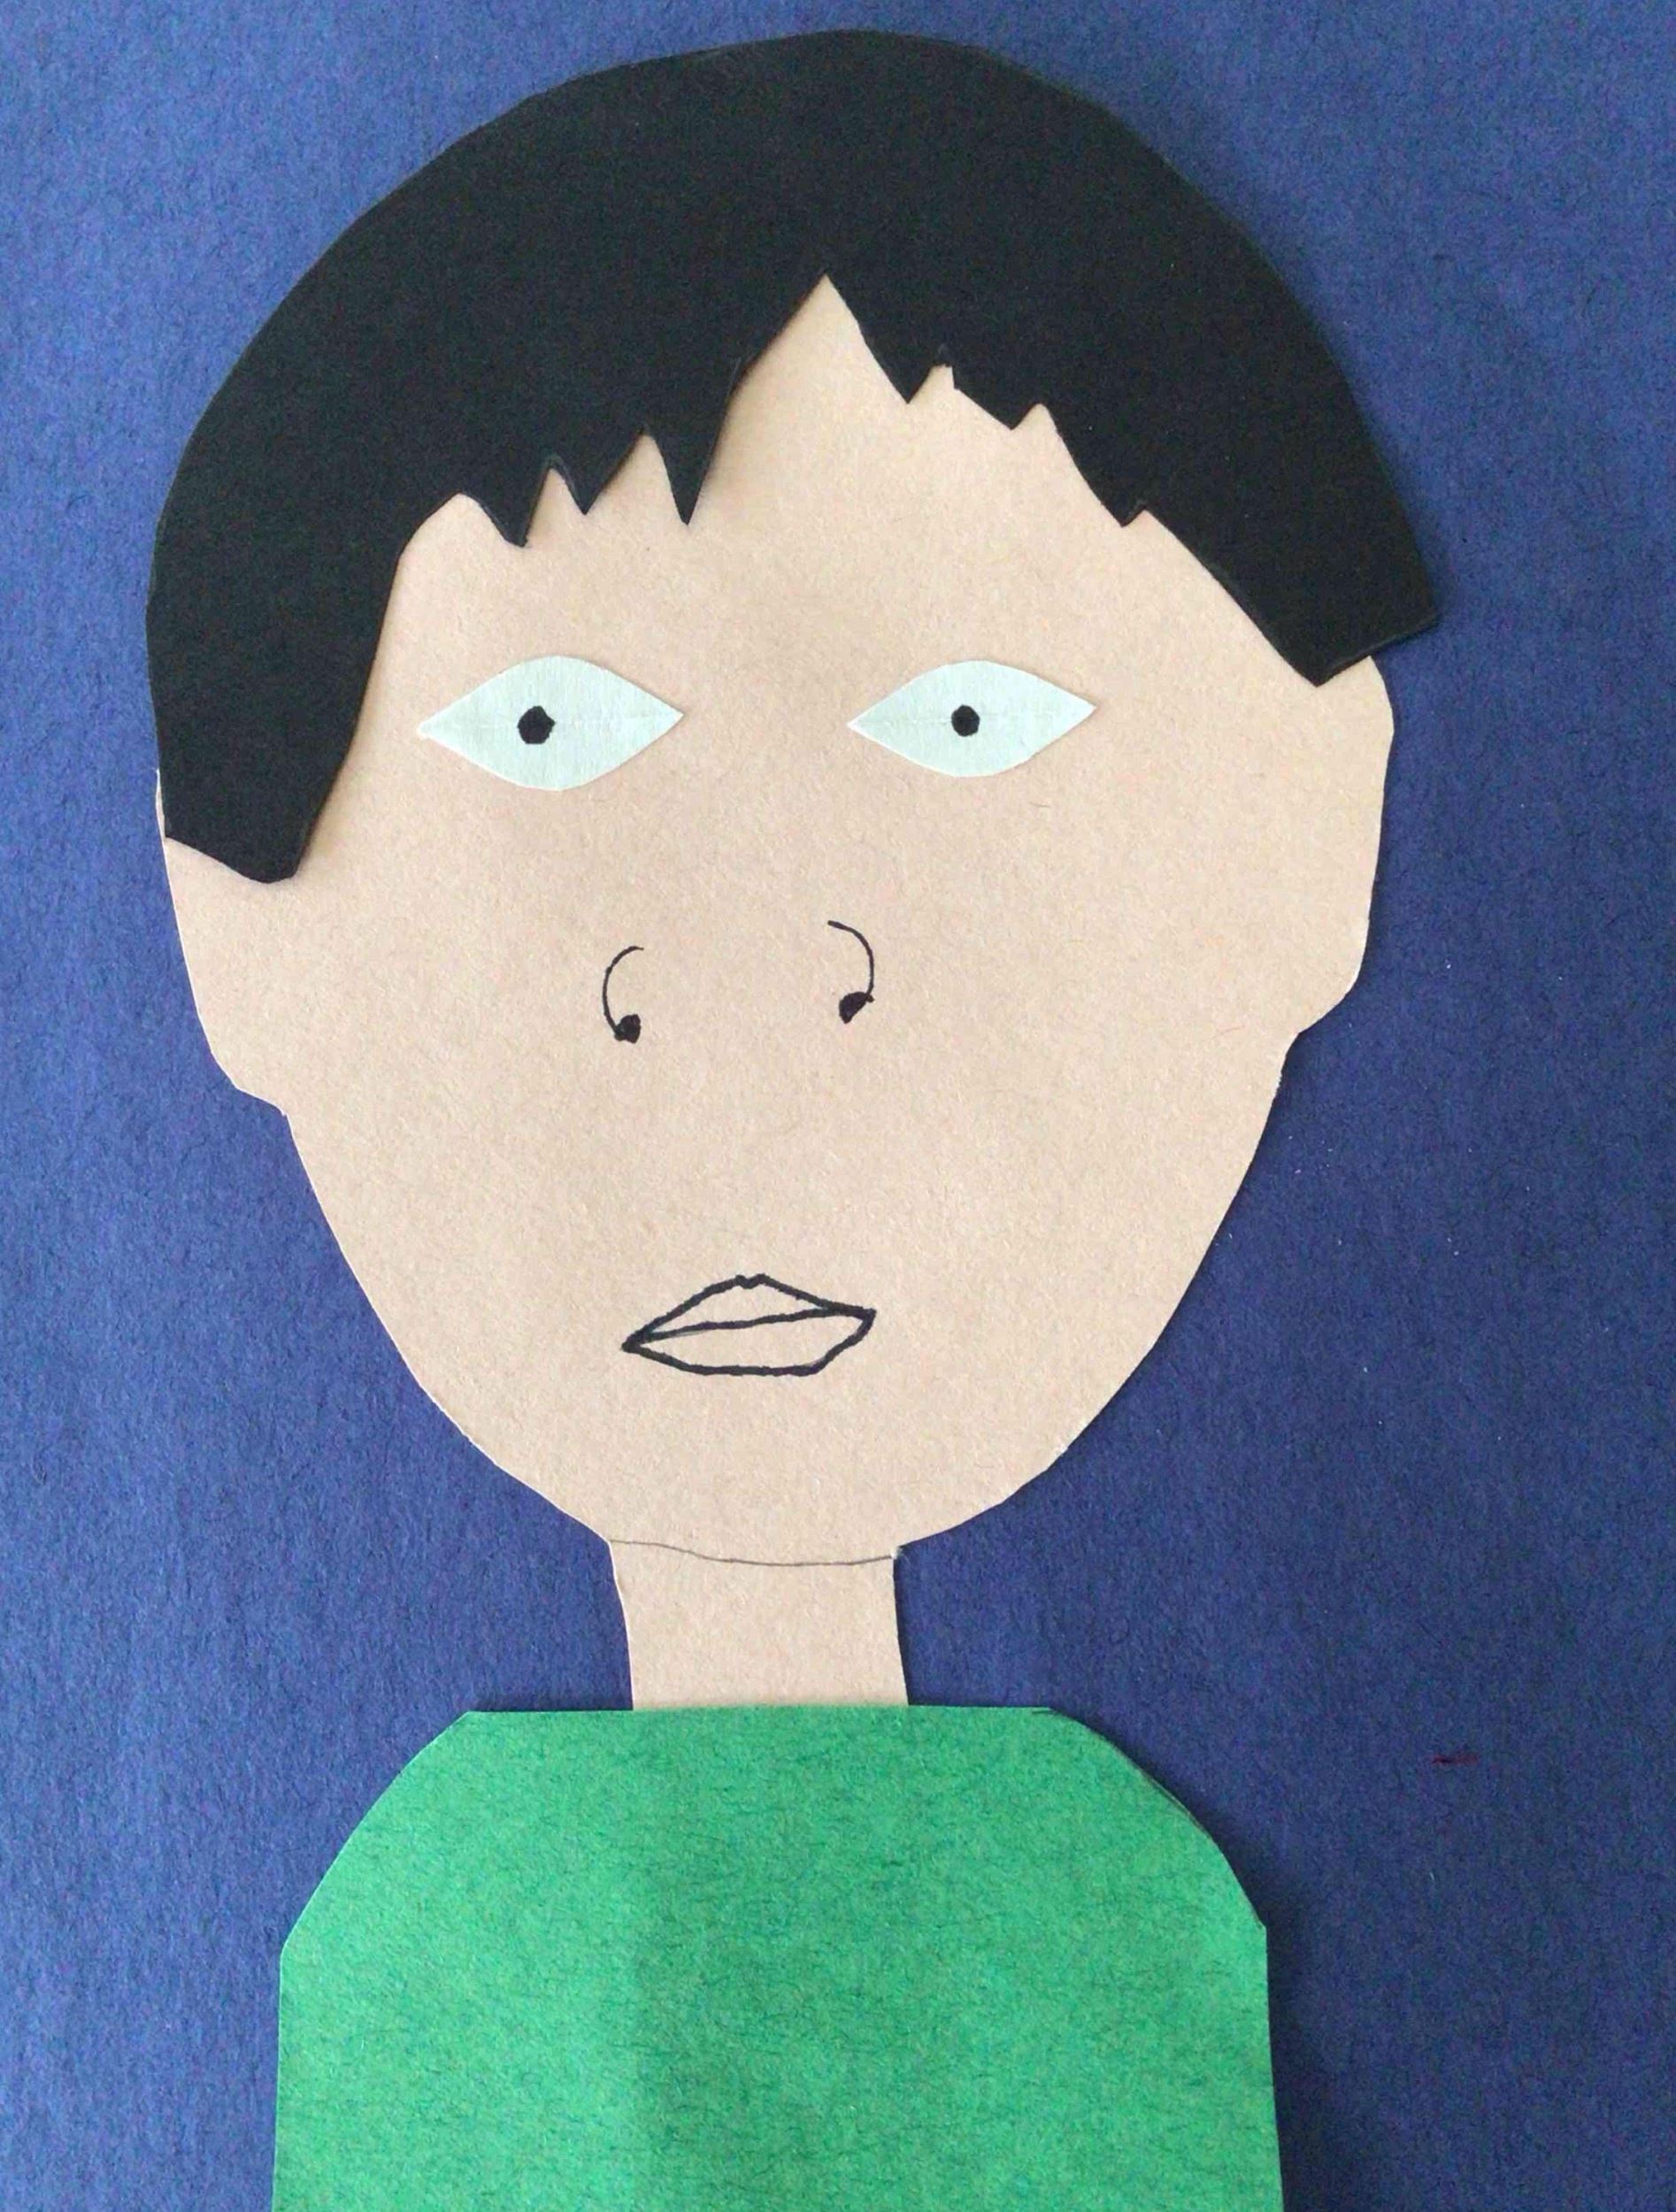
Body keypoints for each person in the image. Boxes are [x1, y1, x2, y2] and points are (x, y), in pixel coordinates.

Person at [150, 30, 1434, 2209]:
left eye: (970, 714)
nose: (752, 966)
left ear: (1319, 820)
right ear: (227, 927)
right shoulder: (434, 1943)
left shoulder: (1100, 1921)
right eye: (537, 725)